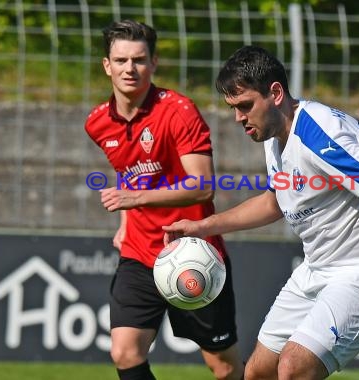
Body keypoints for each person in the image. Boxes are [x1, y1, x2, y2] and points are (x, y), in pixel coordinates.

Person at [163, 46, 359, 379]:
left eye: (245, 106)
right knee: (258, 372)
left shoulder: (319, 133)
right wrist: (204, 226)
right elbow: (275, 201)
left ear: (275, 93)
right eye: (233, 109)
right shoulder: (275, 136)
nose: (239, 118)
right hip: (316, 270)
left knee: (294, 367)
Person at [84, 19, 244, 380]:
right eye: (121, 60)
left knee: (223, 367)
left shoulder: (178, 112)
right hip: (139, 253)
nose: (130, 68)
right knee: (125, 352)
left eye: (139, 60)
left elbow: (202, 186)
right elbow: (128, 169)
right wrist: (126, 223)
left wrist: (135, 199)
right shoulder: (97, 122)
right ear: (106, 65)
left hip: (192, 252)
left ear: (153, 63)